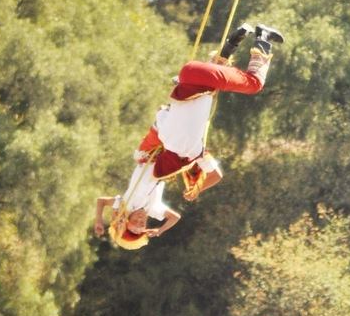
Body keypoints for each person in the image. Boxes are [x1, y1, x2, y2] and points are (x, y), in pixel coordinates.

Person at [96, 23, 283, 250]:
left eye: (135, 226)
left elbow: (213, 176)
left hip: (197, 79)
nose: (141, 223)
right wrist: (161, 226)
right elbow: (199, 186)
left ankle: (263, 37)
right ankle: (233, 42)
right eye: (142, 227)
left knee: (253, 85)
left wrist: (106, 222)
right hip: (190, 76)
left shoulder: (183, 156)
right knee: (213, 89)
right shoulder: (178, 150)